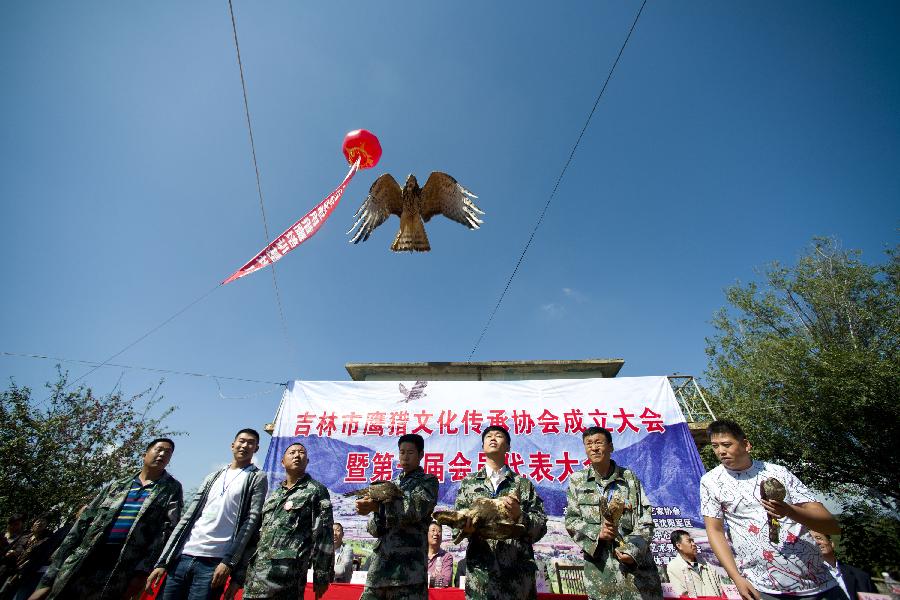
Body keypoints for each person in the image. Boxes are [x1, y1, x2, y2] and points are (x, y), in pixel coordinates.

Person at [700, 420, 842, 600]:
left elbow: (830, 525)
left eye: (727, 444)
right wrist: (736, 577)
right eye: (715, 446)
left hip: (817, 582)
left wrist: (790, 511)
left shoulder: (779, 472)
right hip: (763, 586)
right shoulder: (710, 482)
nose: (721, 451)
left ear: (746, 444)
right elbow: (715, 530)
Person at [29, 438, 183, 600]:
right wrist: (47, 581)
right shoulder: (117, 485)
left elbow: (166, 533)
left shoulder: (171, 489)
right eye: (159, 449)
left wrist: (142, 572)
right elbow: (80, 527)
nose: (162, 454)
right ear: (145, 454)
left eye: (168, 453)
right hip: (83, 560)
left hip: (120, 570)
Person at [147, 429, 267, 600]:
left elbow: (252, 520)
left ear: (256, 449)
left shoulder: (257, 477)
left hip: (214, 562)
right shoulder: (213, 476)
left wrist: (229, 561)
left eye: (251, 442)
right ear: (233, 445)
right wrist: (164, 561)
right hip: (183, 556)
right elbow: (188, 516)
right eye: (241, 441)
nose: (245, 445)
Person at [565, 426, 662, 600]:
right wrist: (597, 533)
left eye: (598, 443)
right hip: (601, 575)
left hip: (637, 575)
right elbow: (571, 520)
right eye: (589, 444)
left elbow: (645, 519)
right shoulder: (577, 481)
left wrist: (632, 551)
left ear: (610, 447)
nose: (594, 448)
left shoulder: (629, 478)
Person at [454, 425, 547, 600]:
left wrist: (520, 515)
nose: (493, 438)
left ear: (508, 447)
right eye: (488, 436)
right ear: (483, 447)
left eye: (499, 436)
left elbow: (540, 527)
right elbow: (456, 523)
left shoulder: (523, 485)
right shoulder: (469, 483)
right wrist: (465, 528)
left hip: (517, 576)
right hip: (481, 577)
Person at [231, 442, 334, 600]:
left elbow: (324, 533)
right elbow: (258, 537)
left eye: (301, 453)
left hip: (286, 579)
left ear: (307, 461)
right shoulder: (274, 495)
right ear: (282, 462)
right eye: (292, 452)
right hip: (256, 579)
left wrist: (322, 574)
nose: (297, 455)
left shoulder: (316, 490)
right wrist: (240, 575)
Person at [356, 433, 439, 600]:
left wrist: (378, 507)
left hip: (409, 573)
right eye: (402, 452)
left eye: (410, 452)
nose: (405, 457)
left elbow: (414, 510)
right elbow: (374, 529)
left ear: (421, 455)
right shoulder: (390, 485)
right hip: (379, 570)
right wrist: (372, 510)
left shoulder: (428, 481)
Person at [811, 531, 875, 600]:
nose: (816, 542)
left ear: (831, 543)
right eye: (811, 540)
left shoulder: (861, 576)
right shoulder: (805, 580)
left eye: (818, 538)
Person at [665, 530, 722, 598]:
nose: (694, 544)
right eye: (689, 541)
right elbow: (681, 595)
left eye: (693, 541)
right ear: (679, 545)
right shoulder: (673, 567)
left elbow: (721, 591)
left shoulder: (707, 565)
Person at [426, 522, 453, 588]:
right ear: (426, 534)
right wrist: (434, 578)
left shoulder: (447, 557)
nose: (436, 533)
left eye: (439, 531)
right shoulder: (420, 555)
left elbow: (445, 581)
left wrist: (427, 578)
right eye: (433, 530)